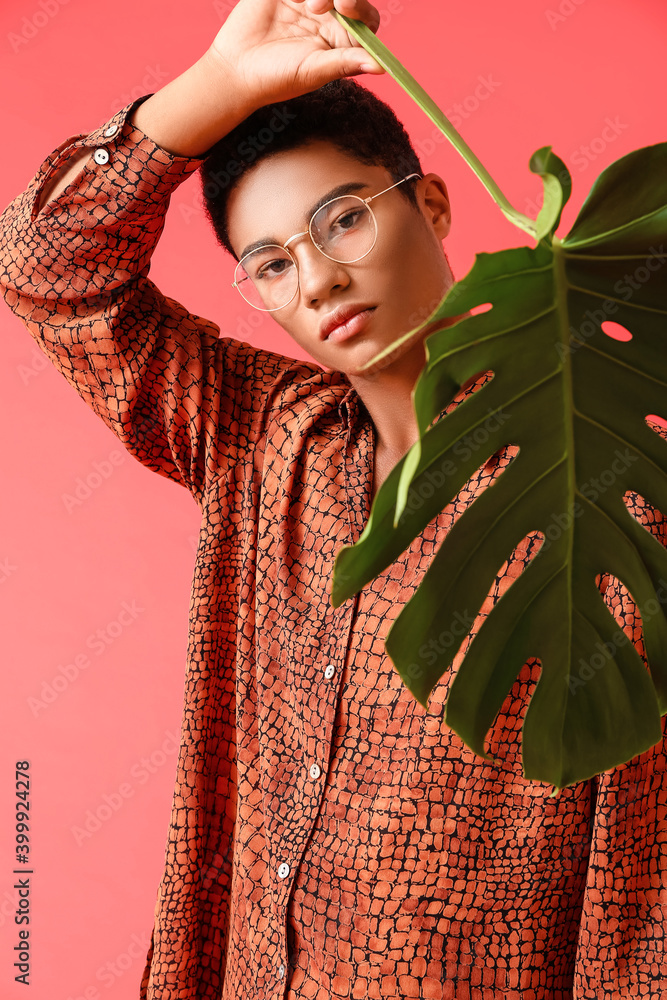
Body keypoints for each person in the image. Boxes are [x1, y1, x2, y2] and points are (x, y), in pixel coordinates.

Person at [1, 0, 666, 997]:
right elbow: (47, 270)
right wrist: (214, 88)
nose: (315, 280)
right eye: (269, 263)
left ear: (431, 205)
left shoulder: (590, 495)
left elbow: (639, 918)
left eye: (342, 218)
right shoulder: (261, 437)